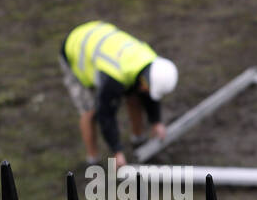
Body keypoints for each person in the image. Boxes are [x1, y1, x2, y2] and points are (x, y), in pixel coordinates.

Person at [59, 21, 178, 167]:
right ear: (145, 80)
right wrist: (117, 152)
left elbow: (148, 94)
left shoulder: (150, 62)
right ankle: (93, 160)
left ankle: (138, 139)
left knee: (135, 95)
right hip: (76, 47)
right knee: (90, 111)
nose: (148, 92)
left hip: (99, 35)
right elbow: (106, 115)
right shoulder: (113, 79)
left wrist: (156, 122)